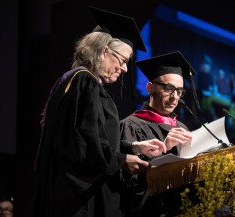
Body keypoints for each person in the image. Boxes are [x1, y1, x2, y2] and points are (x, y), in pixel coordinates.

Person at [33, 7, 166, 217]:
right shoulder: (85, 82)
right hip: (79, 201)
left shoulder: (71, 80)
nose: (124, 69)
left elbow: (92, 136)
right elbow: (82, 145)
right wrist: (121, 160)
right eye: (123, 60)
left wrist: (134, 146)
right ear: (104, 52)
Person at [120, 51, 196, 217]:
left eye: (180, 91)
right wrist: (165, 149)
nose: (174, 98)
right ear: (150, 88)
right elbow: (127, 181)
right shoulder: (131, 125)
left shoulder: (181, 127)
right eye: (169, 89)